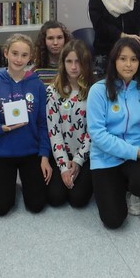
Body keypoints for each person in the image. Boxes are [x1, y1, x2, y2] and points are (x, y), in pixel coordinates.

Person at [87, 37, 140, 228]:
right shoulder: (98, 91)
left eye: (134, 59)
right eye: (123, 59)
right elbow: (98, 134)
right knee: (113, 220)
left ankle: (131, 191)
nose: (128, 64)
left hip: (137, 155)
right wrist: (134, 152)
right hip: (106, 157)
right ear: (114, 61)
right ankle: (116, 188)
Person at [0, 34, 51, 215]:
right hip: (2, 152)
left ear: (30, 57)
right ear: (6, 53)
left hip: (30, 152)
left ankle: (23, 182)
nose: (19, 59)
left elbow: (43, 124)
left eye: (24, 55)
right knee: (1, 208)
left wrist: (44, 156)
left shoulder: (38, 86)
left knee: (37, 206)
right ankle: (10, 185)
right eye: (15, 53)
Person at [45, 40, 94, 208]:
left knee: (78, 200)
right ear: (63, 63)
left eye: (78, 62)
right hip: (61, 154)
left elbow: (93, 131)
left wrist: (79, 161)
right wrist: (64, 167)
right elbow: (54, 131)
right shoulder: (53, 91)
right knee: (55, 198)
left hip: (86, 155)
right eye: (69, 61)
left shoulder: (94, 90)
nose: (74, 67)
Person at [31, 20, 71, 85]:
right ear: (43, 41)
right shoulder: (35, 72)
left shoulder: (73, 68)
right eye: (50, 38)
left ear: (65, 39)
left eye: (59, 37)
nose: (55, 43)